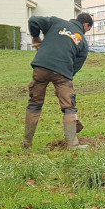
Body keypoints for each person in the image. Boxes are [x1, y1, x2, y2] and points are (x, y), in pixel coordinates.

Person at [23, 12, 94, 151]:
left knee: (34, 105)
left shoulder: (56, 22)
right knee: (69, 108)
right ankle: (73, 146)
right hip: (63, 72)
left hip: (41, 66)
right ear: (86, 25)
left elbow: (33, 21)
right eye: (88, 29)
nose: (86, 32)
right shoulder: (83, 43)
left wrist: (36, 38)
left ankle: (27, 145)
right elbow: (75, 67)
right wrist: (64, 85)